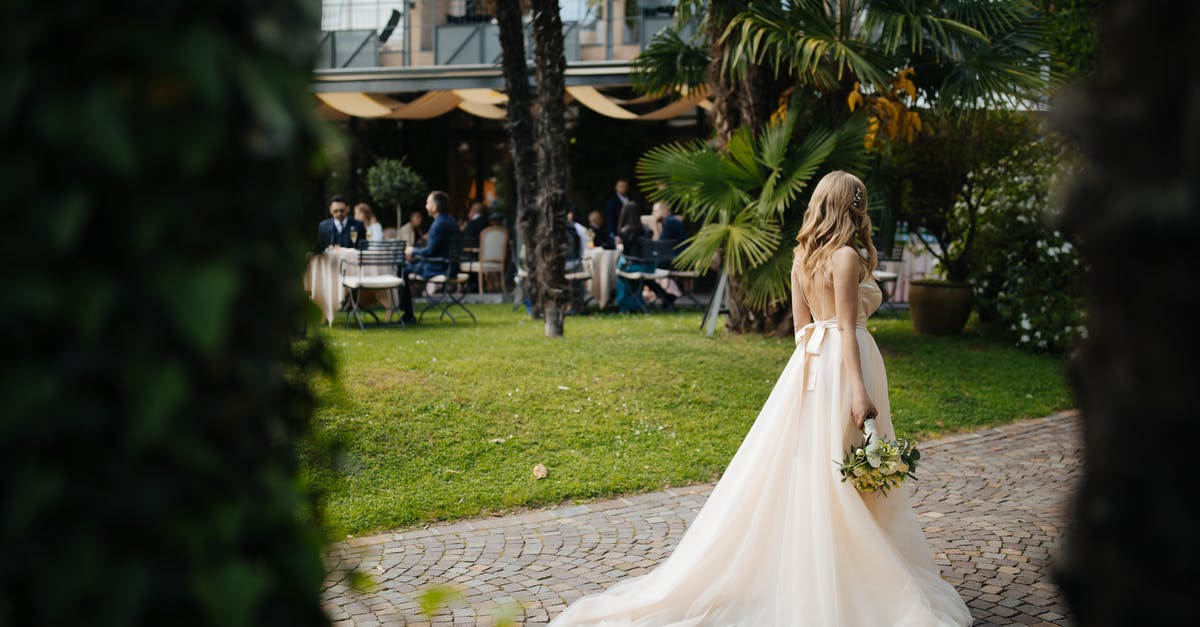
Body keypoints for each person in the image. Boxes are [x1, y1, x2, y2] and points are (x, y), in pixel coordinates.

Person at [548, 172, 972, 626]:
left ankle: (823, 562)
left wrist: (815, 373)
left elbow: (800, 329)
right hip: (846, 365)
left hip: (810, 365)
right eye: (857, 203)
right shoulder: (846, 257)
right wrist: (858, 391)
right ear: (848, 207)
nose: (860, 211)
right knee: (846, 471)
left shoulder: (803, 256)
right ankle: (846, 575)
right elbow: (846, 327)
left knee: (819, 465)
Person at [613, 201, 675, 312]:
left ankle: (625, 304)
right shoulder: (646, 230)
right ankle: (664, 297)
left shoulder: (625, 231)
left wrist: (619, 244)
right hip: (649, 267)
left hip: (635, 266)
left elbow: (626, 253)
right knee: (638, 273)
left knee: (620, 269)